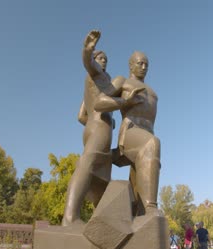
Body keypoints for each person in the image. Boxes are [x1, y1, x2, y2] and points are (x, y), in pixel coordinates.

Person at [62, 30, 142, 226]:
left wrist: (102, 121)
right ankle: (70, 217)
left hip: (92, 127)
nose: (103, 62)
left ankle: (100, 222)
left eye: (106, 59)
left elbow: (81, 115)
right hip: (99, 130)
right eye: (100, 58)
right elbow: (89, 65)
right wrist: (87, 50)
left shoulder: (94, 84)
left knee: (100, 179)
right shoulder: (99, 76)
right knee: (87, 165)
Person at [112, 51, 160, 216]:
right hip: (131, 131)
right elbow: (99, 102)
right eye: (140, 63)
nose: (144, 67)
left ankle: (139, 215)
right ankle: (151, 208)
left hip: (146, 134)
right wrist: (125, 101)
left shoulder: (152, 91)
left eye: (147, 64)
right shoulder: (122, 81)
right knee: (152, 143)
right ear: (131, 65)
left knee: (137, 194)